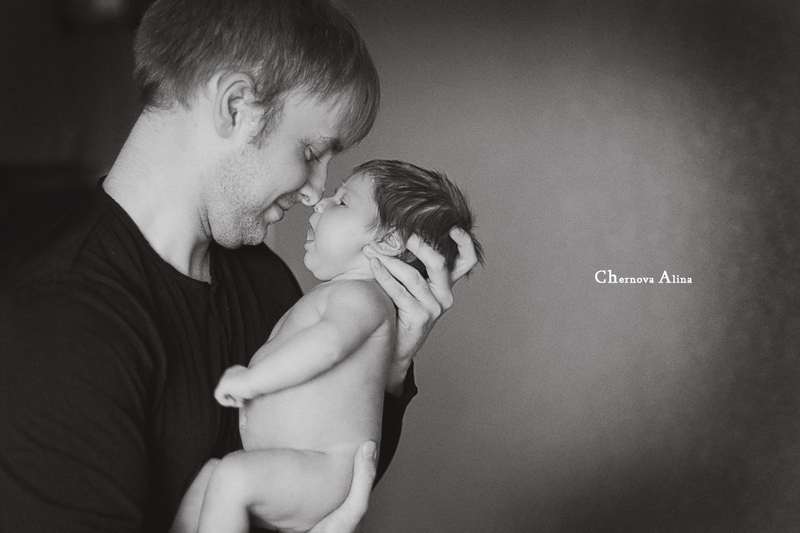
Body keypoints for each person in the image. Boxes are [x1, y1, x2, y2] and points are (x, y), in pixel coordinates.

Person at [0, 1, 479, 532]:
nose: (315, 191)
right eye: (311, 151)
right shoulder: (57, 324)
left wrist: (392, 362)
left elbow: (317, 481)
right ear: (235, 107)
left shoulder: (263, 278)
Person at [177, 160, 483, 533]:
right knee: (208, 481)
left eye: (341, 201)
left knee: (232, 477)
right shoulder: (343, 294)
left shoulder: (362, 296)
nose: (320, 201)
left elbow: (328, 345)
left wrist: (251, 381)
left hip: (321, 471)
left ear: (386, 241)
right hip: (295, 465)